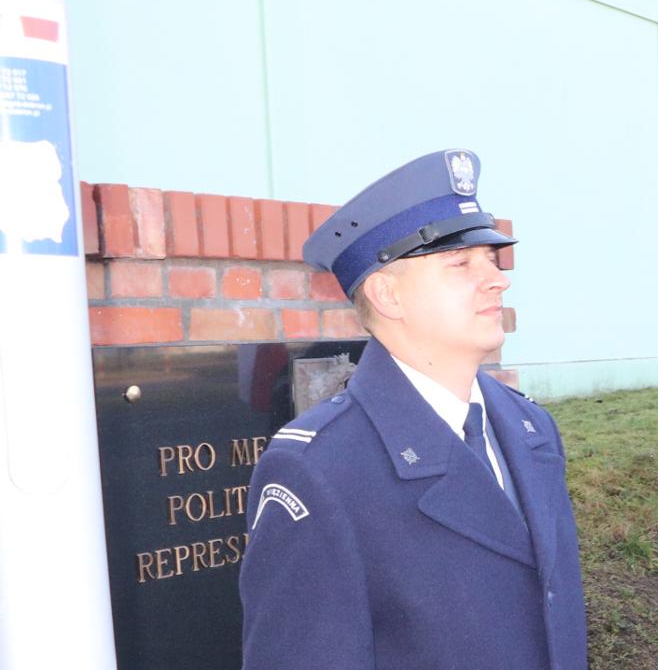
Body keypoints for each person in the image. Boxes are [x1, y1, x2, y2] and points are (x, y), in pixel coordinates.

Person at [240, 150, 588, 669]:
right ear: (387, 295)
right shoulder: (321, 471)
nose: (497, 279)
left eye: (492, 259)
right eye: (460, 263)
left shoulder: (531, 429)